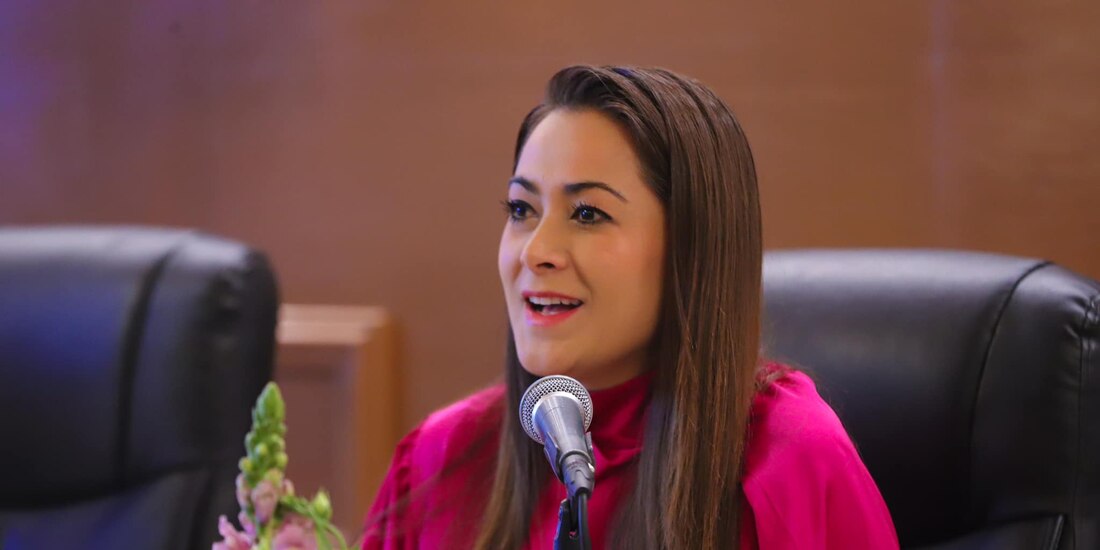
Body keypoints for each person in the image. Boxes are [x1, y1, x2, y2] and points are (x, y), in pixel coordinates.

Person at [362, 65, 898, 549]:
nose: (536, 251)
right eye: (522, 208)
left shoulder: (791, 461)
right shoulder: (441, 457)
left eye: (588, 214)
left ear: (690, 249)